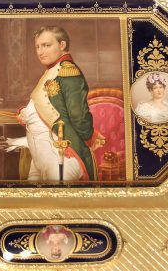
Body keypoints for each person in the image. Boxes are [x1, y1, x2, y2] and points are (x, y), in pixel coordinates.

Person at [7, 26, 104, 182]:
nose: (40, 51)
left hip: (60, 152)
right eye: (37, 47)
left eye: (46, 45)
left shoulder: (68, 72)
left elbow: (79, 117)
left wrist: (88, 136)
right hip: (41, 153)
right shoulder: (52, 71)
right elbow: (45, 102)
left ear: (62, 45)